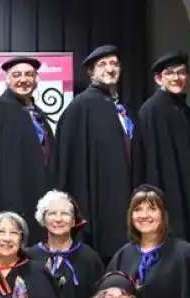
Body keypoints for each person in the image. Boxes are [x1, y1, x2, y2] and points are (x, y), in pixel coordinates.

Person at [53, 45, 141, 262]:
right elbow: (69, 163)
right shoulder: (81, 107)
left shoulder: (125, 109)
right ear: (91, 73)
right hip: (100, 203)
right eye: (102, 65)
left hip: (128, 197)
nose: (109, 69)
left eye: (114, 64)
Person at [0, 57, 54, 239]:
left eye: (29, 75)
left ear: (37, 79)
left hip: (38, 196)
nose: (23, 79)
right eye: (17, 75)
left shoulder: (36, 112)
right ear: (7, 80)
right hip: (12, 199)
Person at [138, 51, 190, 248]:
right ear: (158, 79)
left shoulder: (189, 114)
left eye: (181, 72)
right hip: (166, 197)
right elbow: (149, 161)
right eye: (169, 73)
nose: (176, 78)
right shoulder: (150, 111)